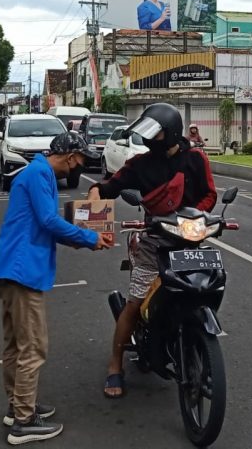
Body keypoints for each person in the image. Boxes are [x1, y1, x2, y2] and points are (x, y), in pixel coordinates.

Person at [85, 103, 217, 398]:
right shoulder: (140, 164)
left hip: (191, 240)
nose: (148, 139)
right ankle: (115, 366)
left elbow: (210, 193)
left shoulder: (196, 159)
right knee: (135, 303)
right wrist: (93, 197)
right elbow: (109, 187)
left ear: (170, 133)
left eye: (154, 134)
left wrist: (196, 216)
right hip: (153, 241)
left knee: (208, 286)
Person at [0, 132, 111, 445]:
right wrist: (90, 238)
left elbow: (48, 221)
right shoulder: (40, 174)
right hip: (22, 270)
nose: (79, 166)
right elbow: (49, 221)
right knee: (33, 346)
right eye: (80, 160)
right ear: (70, 156)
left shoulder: (36, 172)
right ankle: (23, 422)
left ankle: (18, 407)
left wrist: (84, 237)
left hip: (10, 267)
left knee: (16, 344)